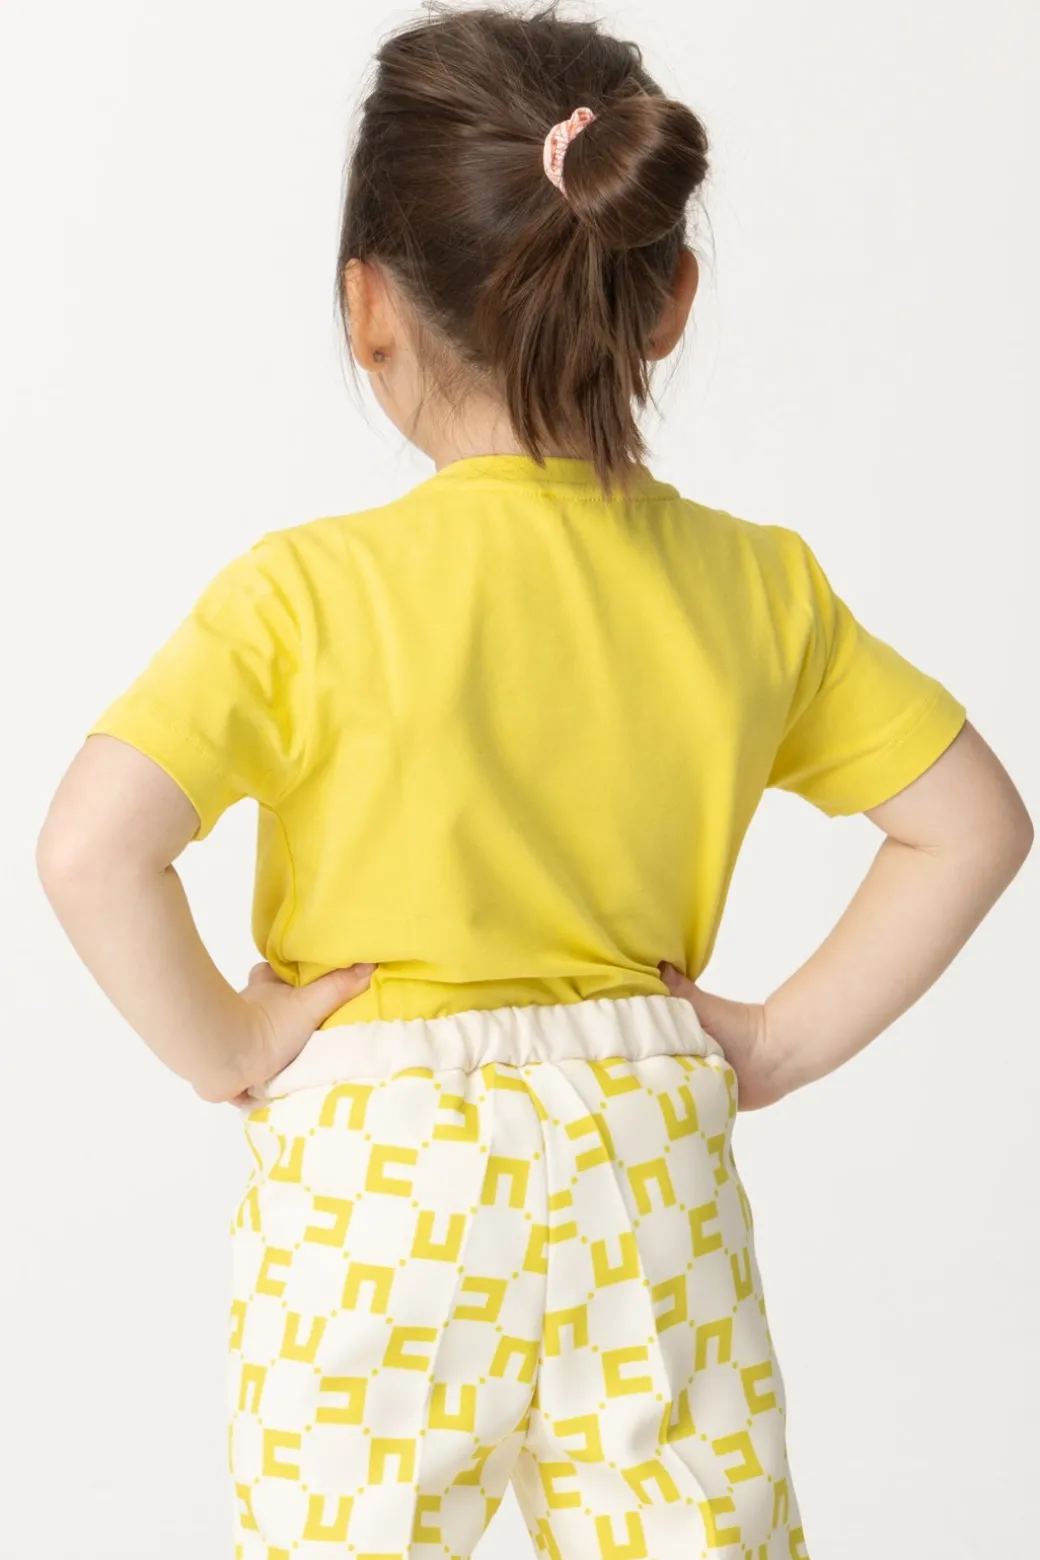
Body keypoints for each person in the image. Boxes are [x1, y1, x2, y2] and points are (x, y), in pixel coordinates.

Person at [37, 6, 1031, 1557]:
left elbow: (92, 848)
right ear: (669, 299)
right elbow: (972, 825)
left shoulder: (304, 595)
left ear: (370, 308)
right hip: (647, 1165)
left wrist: (229, 1044)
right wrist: (772, 1044)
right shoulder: (754, 584)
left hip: (378, 1176)